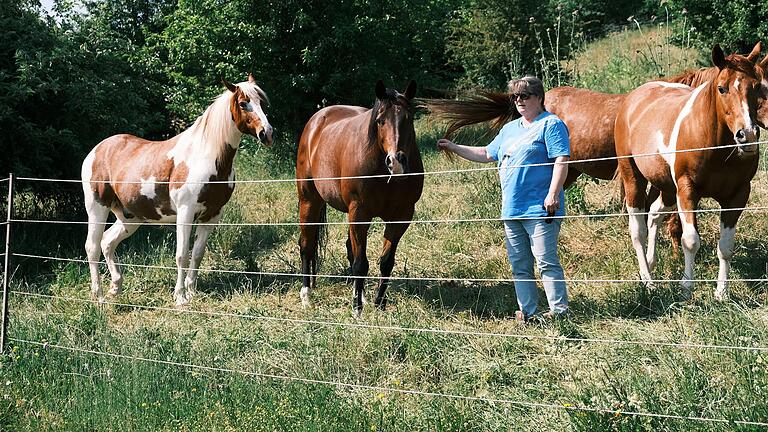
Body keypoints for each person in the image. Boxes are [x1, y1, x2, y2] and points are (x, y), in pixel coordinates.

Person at [436, 75, 571, 322]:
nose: (519, 101)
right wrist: (454, 147)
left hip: (541, 209)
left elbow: (561, 159)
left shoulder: (551, 125)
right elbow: (487, 153)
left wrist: (553, 194)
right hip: (511, 209)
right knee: (520, 265)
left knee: (546, 262)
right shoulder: (509, 129)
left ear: (539, 97)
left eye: (524, 95)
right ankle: (528, 313)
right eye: (515, 96)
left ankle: (559, 313)